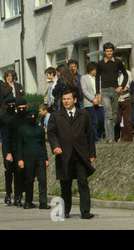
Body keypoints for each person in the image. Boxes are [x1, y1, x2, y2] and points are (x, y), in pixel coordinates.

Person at [47, 90, 96, 219]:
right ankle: (65, 210)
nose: (66, 101)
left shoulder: (84, 114)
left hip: (81, 154)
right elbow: (51, 134)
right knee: (65, 183)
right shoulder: (56, 116)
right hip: (64, 154)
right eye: (64, 99)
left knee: (83, 182)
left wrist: (92, 153)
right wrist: (55, 146)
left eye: (68, 99)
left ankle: (85, 211)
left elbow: (90, 134)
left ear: (74, 100)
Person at [17, 108, 50, 210]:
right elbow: (20, 145)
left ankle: (43, 202)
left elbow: (43, 145)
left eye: (35, 116)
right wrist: (20, 159)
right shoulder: (22, 129)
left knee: (42, 179)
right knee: (29, 179)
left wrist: (46, 158)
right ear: (27, 116)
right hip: (28, 156)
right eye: (30, 115)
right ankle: (28, 201)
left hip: (40, 156)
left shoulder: (40, 129)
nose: (32, 117)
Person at [95, 42, 128, 142]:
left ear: (113, 51)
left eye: (110, 51)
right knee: (108, 113)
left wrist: (121, 86)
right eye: (107, 51)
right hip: (104, 91)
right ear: (104, 52)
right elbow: (97, 78)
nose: (109, 53)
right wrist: (98, 93)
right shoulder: (100, 64)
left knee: (113, 115)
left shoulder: (117, 63)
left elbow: (125, 75)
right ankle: (110, 138)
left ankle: (110, 135)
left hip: (115, 90)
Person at [0, 96, 17, 205]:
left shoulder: (17, 117)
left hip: (16, 146)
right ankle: (8, 193)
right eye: (9, 106)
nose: (12, 107)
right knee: (8, 170)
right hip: (6, 146)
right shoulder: (2, 118)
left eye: (13, 105)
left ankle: (18, 194)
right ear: (6, 107)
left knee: (17, 171)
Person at [4, 98, 28, 206]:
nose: (22, 110)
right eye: (19, 108)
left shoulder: (28, 119)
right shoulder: (12, 121)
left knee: (24, 173)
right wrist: (8, 153)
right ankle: (16, 195)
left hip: (27, 149)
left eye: (24, 108)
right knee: (16, 172)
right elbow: (7, 138)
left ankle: (22, 193)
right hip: (15, 149)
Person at [80, 61, 105, 142]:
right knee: (92, 122)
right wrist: (92, 99)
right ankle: (95, 139)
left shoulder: (99, 77)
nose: (95, 71)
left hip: (99, 101)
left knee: (102, 120)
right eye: (94, 70)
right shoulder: (84, 78)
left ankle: (97, 135)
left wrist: (98, 97)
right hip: (89, 103)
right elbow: (85, 90)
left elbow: (101, 88)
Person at [115, 57, 132, 142]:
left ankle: (128, 139)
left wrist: (126, 88)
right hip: (116, 99)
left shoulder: (128, 73)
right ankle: (116, 137)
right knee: (116, 120)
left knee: (127, 120)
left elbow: (130, 85)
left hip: (126, 97)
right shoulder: (112, 73)